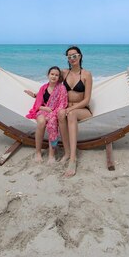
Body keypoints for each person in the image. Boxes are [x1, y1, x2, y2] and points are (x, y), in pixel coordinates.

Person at [58, 46, 92, 177]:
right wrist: (36, 94)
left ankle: (73, 159)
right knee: (61, 114)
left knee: (70, 114)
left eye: (74, 55)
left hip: (82, 109)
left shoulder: (86, 75)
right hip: (66, 108)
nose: (72, 58)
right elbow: (51, 85)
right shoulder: (64, 73)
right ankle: (67, 153)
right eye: (69, 56)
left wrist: (70, 108)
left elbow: (87, 100)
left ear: (80, 56)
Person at [25, 66, 68, 164]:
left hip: (55, 112)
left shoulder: (61, 88)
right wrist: (44, 108)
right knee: (41, 122)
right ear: (48, 75)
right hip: (43, 110)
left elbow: (63, 103)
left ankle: (51, 155)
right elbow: (38, 105)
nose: (54, 76)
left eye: (56, 75)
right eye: (52, 74)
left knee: (52, 122)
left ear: (59, 77)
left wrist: (53, 112)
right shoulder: (43, 88)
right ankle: (38, 153)